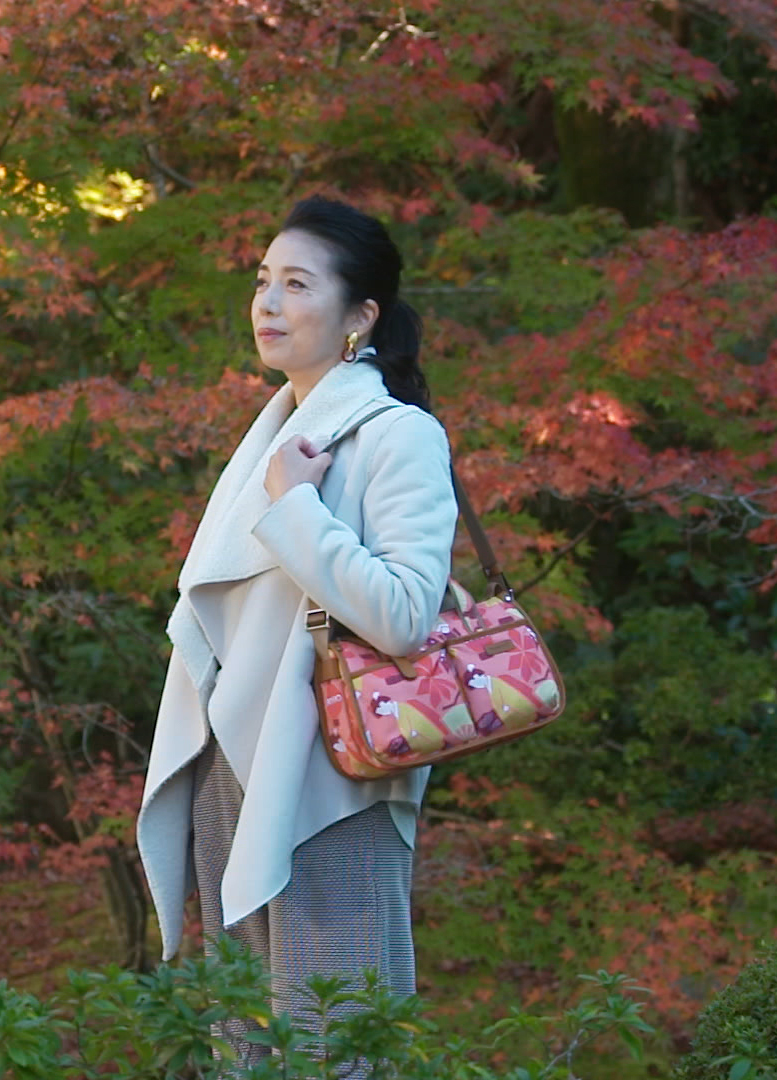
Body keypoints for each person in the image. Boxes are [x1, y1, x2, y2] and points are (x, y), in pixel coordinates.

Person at [135, 195, 457, 1066]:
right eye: (262, 282)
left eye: (296, 284)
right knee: (243, 1043)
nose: (268, 304)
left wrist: (298, 506)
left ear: (361, 315)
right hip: (230, 769)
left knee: (335, 1043)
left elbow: (402, 615)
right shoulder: (272, 435)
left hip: (331, 785)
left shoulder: (399, 436)